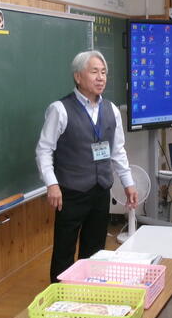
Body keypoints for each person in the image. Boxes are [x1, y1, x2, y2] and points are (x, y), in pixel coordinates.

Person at [36, 50, 138, 283]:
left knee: (95, 249)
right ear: (78, 76)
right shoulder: (60, 109)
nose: (101, 78)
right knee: (64, 249)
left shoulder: (111, 110)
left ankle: (90, 291)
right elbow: (44, 150)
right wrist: (52, 184)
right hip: (70, 192)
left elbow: (117, 150)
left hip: (101, 190)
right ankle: (61, 294)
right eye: (94, 72)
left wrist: (128, 183)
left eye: (104, 73)